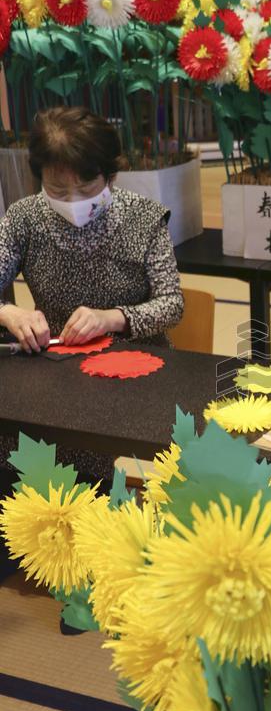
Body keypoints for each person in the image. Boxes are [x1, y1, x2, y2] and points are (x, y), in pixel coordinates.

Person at [0, 106, 184, 559]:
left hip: (139, 373)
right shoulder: (24, 218)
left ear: (110, 175)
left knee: (97, 443)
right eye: (57, 188)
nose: (73, 198)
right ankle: (38, 547)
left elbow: (172, 304)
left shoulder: (142, 218)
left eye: (87, 186)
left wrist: (114, 317)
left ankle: (101, 556)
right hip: (56, 366)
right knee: (15, 434)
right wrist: (8, 312)